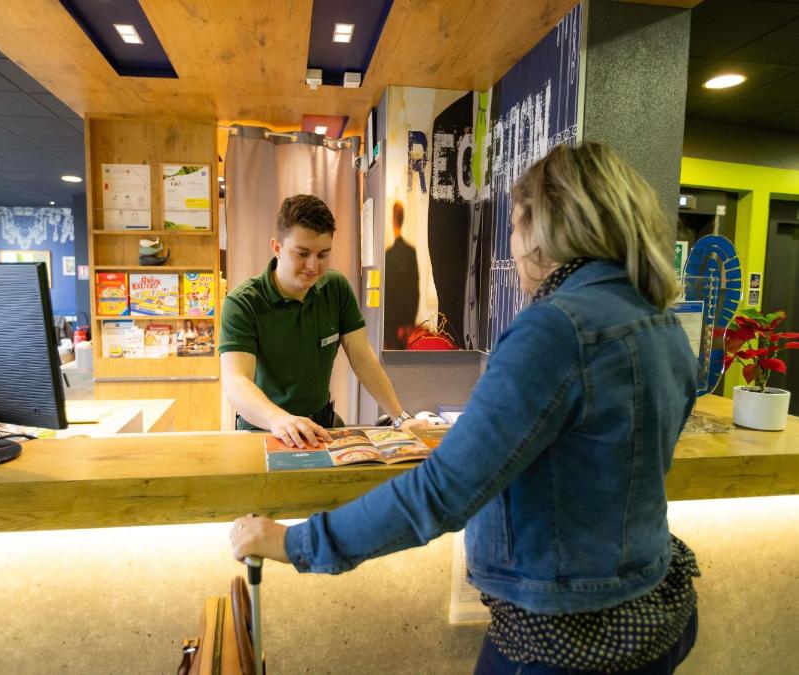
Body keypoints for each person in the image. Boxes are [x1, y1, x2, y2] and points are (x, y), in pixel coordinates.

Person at [230, 143, 701, 674]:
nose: (513, 249)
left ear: (544, 232)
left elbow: (441, 492)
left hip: (565, 636)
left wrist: (297, 542)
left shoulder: (554, 330)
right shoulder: (662, 323)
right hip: (656, 610)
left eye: (515, 228)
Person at [219, 194, 425, 449]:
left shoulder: (336, 288)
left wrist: (400, 418)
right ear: (277, 248)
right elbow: (236, 382)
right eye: (302, 253)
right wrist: (279, 420)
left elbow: (362, 356)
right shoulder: (243, 303)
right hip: (264, 429)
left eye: (323, 255)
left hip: (321, 427)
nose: (313, 266)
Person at [383, 201, 420, 349]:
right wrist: (409, 322)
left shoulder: (388, 254)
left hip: (391, 323)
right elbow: (415, 290)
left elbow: (387, 292)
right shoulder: (411, 252)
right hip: (405, 324)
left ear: (393, 220)